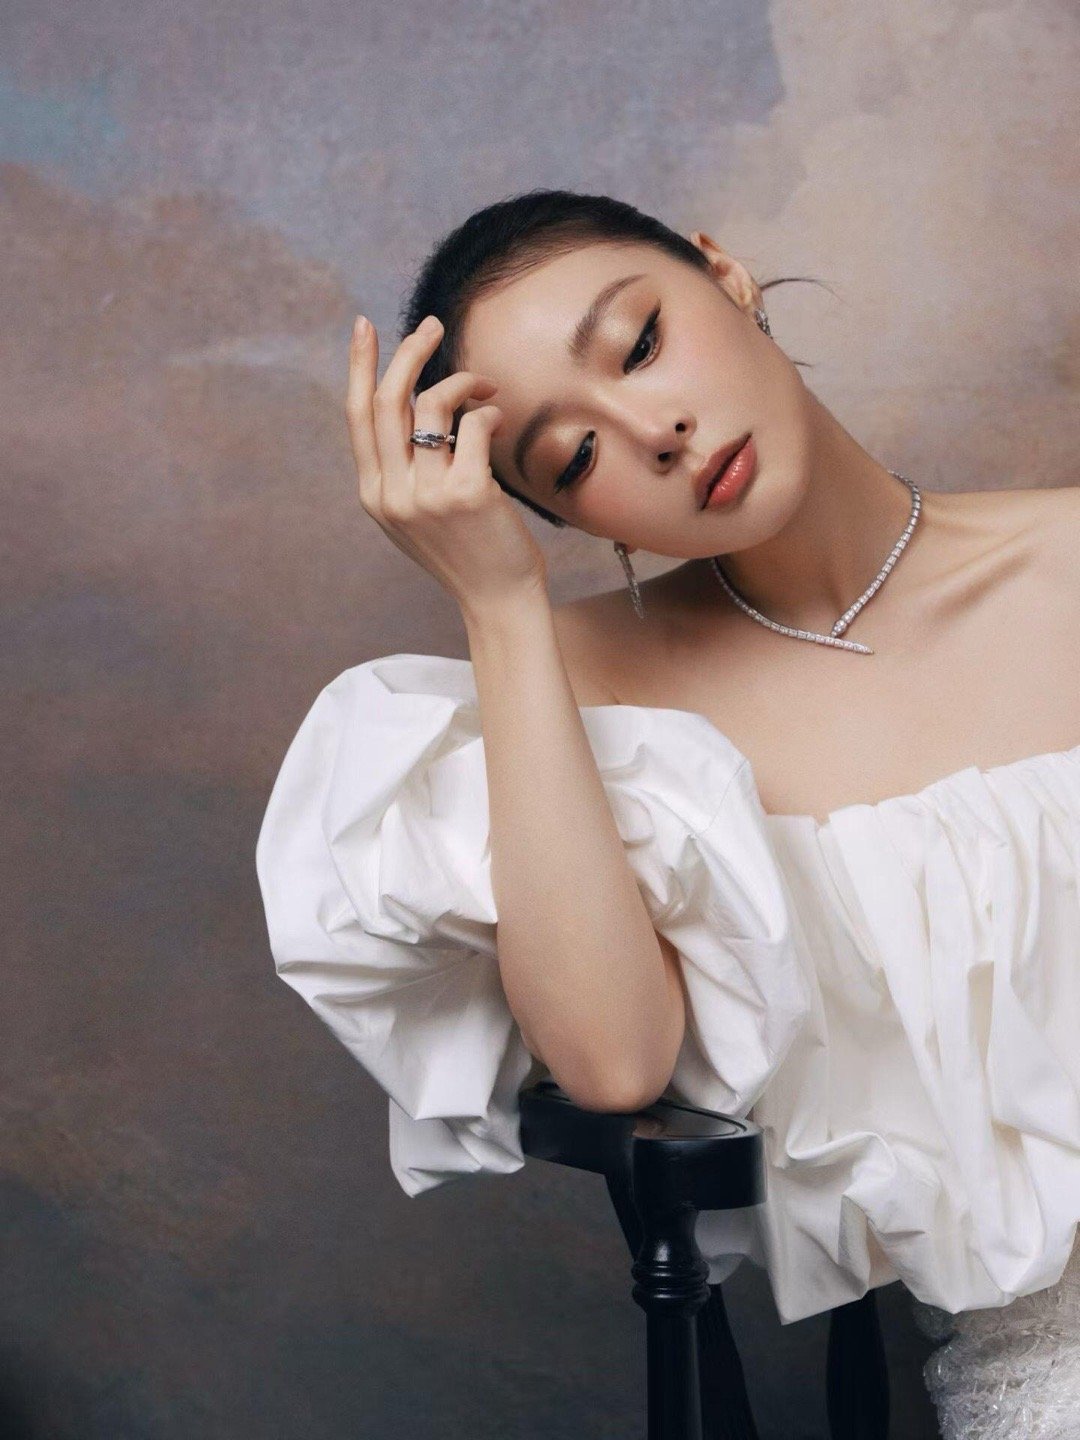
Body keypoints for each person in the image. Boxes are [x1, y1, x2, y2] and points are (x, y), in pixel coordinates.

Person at [255, 188, 1080, 1434]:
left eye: (640, 342)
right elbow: (615, 1063)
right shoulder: (581, 701)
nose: (656, 432)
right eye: (572, 460)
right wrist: (502, 609)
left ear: (725, 275)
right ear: (559, 516)